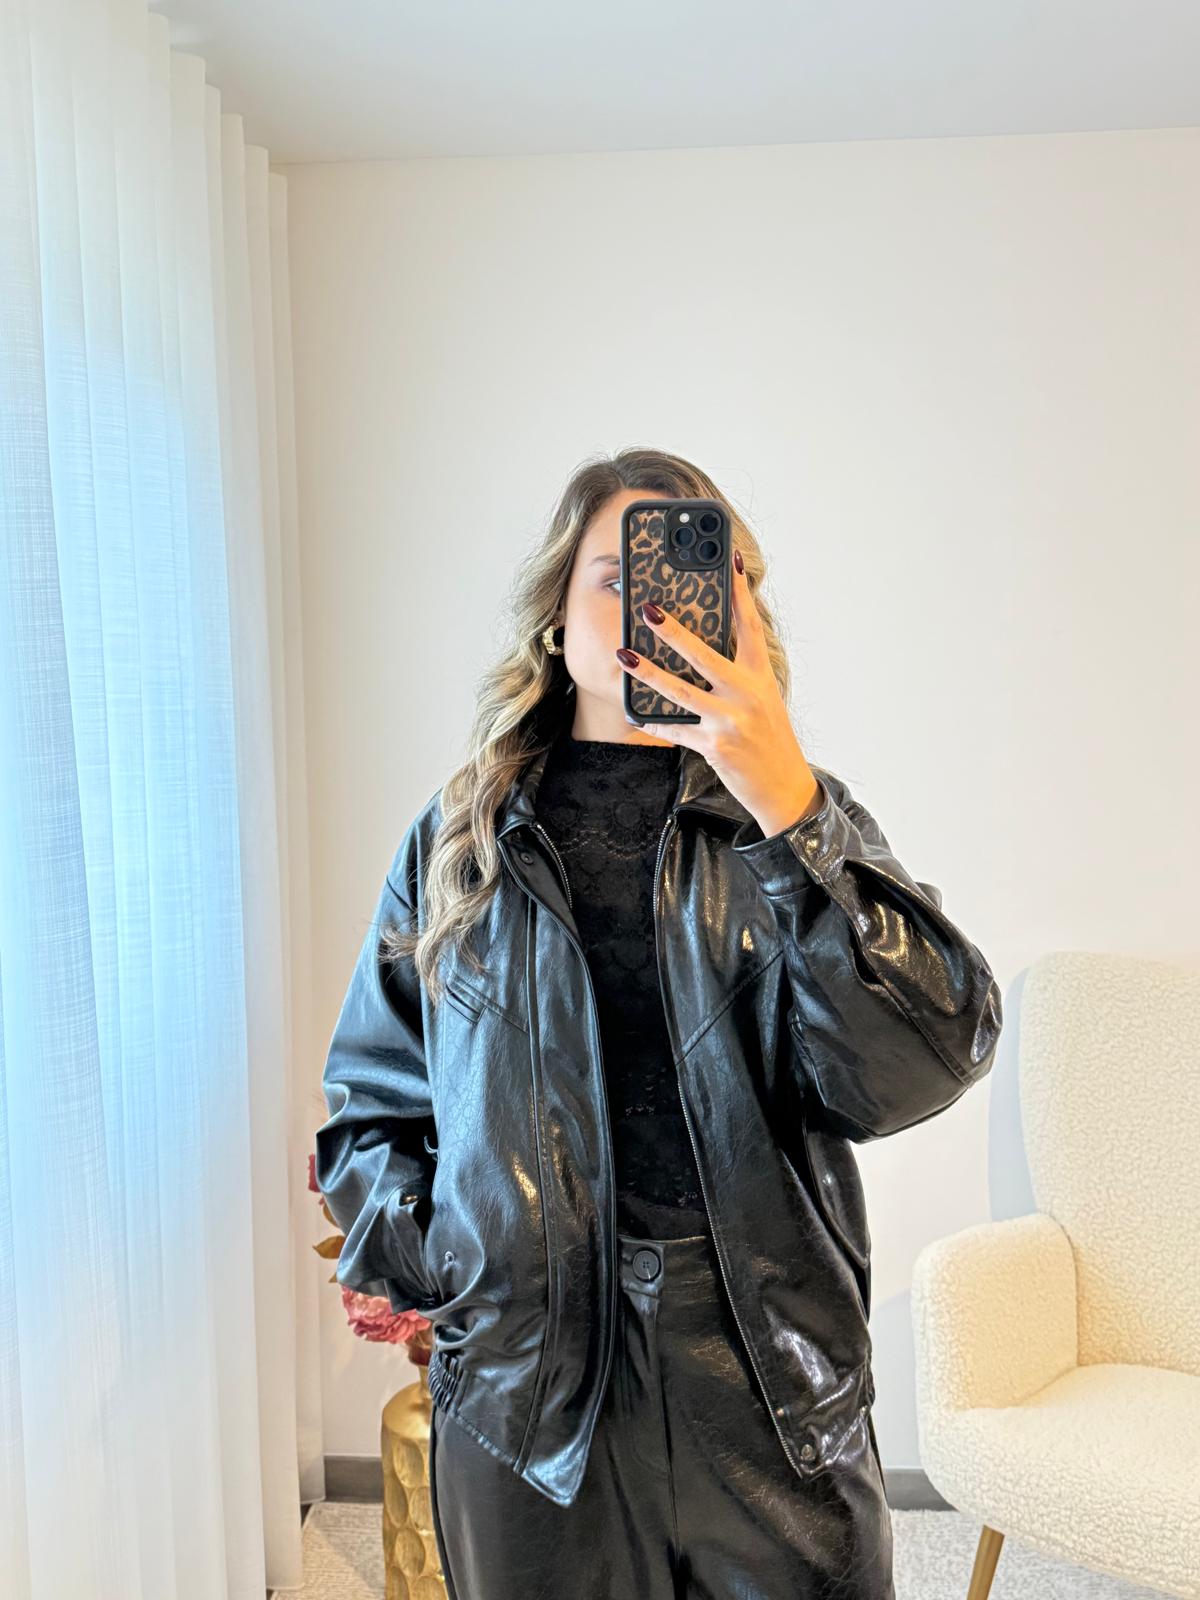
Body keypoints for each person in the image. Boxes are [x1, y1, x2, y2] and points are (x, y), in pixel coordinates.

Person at [314, 446, 1003, 1599]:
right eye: (616, 577)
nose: (655, 610)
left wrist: (791, 807)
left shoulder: (792, 815)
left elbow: (930, 1053)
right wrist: (446, 1262)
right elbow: (371, 1100)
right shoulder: (462, 836)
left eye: (696, 580)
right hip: (531, 1385)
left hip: (767, 1370)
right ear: (555, 618)